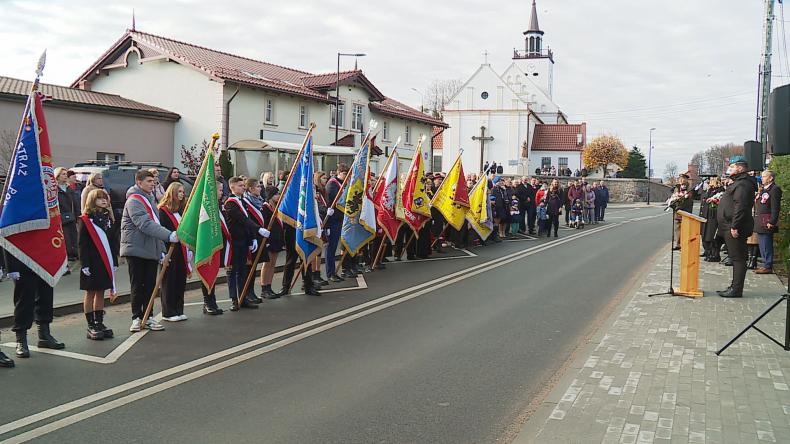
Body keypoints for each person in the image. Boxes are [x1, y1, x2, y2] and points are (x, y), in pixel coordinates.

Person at [122, 169, 178, 332]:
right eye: (149, 181)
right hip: (136, 249)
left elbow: (155, 226)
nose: (152, 184)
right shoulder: (134, 200)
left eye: (153, 182)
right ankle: (136, 317)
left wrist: (161, 249)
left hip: (150, 248)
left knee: (150, 286)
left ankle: (148, 316)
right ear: (139, 183)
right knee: (137, 285)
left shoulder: (149, 199)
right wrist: (169, 236)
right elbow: (145, 224)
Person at [78, 188, 119, 340]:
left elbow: (112, 242)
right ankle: (90, 324)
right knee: (90, 292)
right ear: (91, 200)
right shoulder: (85, 219)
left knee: (101, 291)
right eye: (99, 198)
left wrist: (114, 261)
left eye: (105, 198)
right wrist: (85, 264)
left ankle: (99, 322)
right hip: (91, 261)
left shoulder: (107, 217)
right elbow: (82, 244)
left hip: (104, 261)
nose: (103, 200)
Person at [224, 177, 270, 310]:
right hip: (234, 241)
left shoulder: (242, 201)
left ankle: (243, 298)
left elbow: (247, 221)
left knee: (242, 271)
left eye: (243, 185)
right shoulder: (230, 203)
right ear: (232, 187)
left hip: (244, 241)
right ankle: (234, 299)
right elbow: (243, 219)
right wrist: (259, 229)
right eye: (240, 185)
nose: (243, 187)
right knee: (233, 271)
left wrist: (252, 239)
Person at [716, 156, 758, 298]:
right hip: (730, 225)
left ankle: (736, 289)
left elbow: (741, 206)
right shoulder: (739, 182)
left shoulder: (743, 184)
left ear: (740, 168)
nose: (730, 169)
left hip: (735, 226)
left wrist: (735, 226)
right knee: (735, 257)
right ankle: (734, 286)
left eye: (732, 166)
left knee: (738, 258)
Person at [158, 183, 190, 322]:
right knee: (169, 281)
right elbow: (161, 232)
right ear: (172, 193)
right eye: (179, 192)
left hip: (181, 249)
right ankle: (168, 312)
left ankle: (178, 309)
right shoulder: (163, 211)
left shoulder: (182, 211)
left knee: (179, 280)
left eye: (183, 192)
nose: (182, 194)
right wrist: (162, 253)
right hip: (169, 249)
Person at [201, 180, 227, 315]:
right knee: (207, 272)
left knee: (214, 274)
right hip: (207, 245)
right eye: (220, 190)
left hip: (216, 245)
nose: (221, 193)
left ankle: (212, 301)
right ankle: (207, 302)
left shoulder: (218, 205)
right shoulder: (206, 206)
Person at [754, 170, 782, 274]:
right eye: (762, 176)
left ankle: (768, 265)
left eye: (764, 176)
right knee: (762, 243)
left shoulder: (774, 189)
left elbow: (775, 207)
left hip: (767, 220)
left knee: (766, 243)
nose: (762, 178)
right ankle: (765, 263)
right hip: (760, 220)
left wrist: (772, 221)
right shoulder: (763, 189)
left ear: (771, 178)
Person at [260, 186, 284, 299]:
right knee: (267, 263)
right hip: (269, 239)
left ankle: (269, 286)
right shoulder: (265, 208)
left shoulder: (277, 207)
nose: (278, 196)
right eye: (276, 194)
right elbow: (264, 223)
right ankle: (264, 288)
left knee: (273, 263)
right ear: (270, 196)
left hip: (277, 238)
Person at [324, 163, 345, 281]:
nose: (345, 176)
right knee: (331, 247)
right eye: (344, 173)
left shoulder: (343, 183)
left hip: (340, 219)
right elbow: (338, 199)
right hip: (332, 221)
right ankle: (330, 273)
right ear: (338, 173)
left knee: (336, 246)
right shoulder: (332, 184)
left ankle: (334, 272)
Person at [55, 167, 80, 263]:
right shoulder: (55, 190)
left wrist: (78, 215)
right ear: (57, 176)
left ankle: (74, 253)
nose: (66, 176)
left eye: (66, 174)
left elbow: (76, 203)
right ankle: (68, 254)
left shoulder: (69, 189)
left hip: (72, 216)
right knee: (65, 237)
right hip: (61, 218)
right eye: (63, 174)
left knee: (73, 235)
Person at [701, 177, 724, 262]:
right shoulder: (709, 190)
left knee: (711, 235)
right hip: (706, 215)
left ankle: (714, 254)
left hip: (713, 216)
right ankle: (708, 252)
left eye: (711, 180)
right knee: (705, 235)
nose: (709, 182)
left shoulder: (720, 190)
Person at [671, 172, 696, 250]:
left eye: (683, 179)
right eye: (680, 179)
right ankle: (678, 244)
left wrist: (682, 200)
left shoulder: (689, 188)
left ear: (686, 180)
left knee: (685, 228)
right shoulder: (677, 187)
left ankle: (685, 244)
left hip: (685, 210)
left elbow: (689, 199)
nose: (681, 180)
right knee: (678, 227)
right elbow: (674, 196)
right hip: (677, 211)